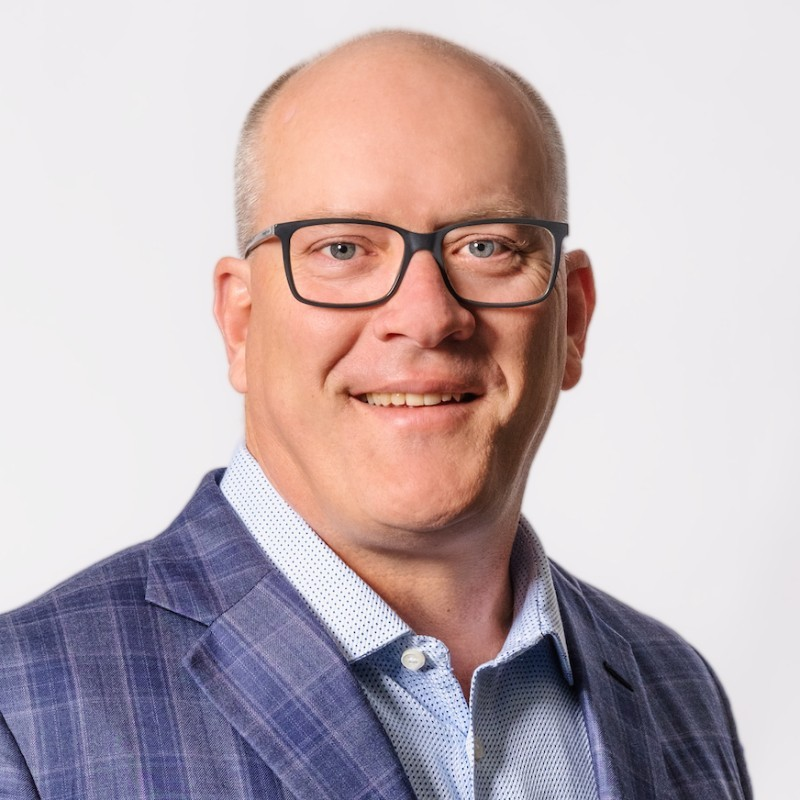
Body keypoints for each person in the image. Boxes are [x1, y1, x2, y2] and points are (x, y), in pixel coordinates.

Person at [0, 30, 751, 800]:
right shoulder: (21, 715)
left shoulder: (676, 690)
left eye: (487, 246)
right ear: (240, 323)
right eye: (342, 250)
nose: (426, 317)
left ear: (573, 321)